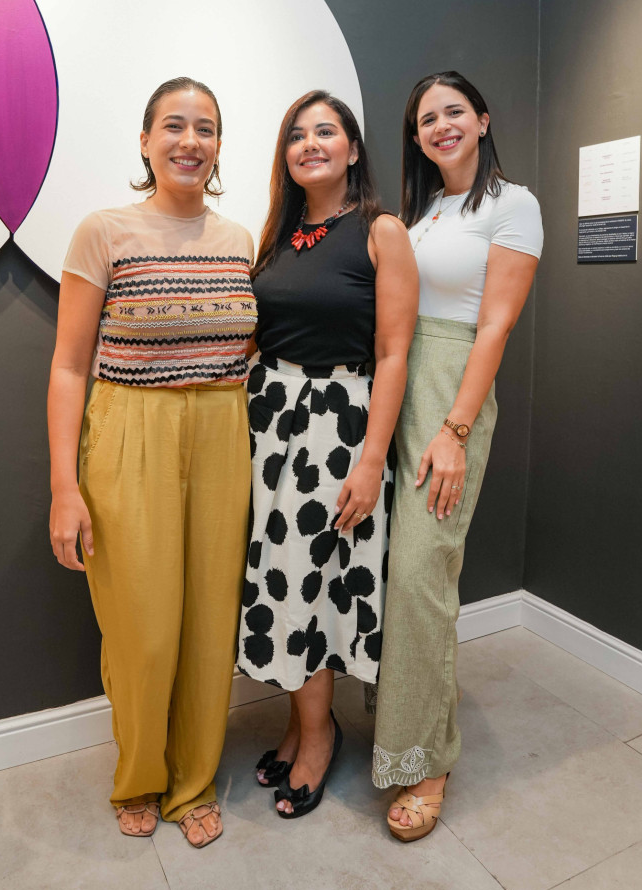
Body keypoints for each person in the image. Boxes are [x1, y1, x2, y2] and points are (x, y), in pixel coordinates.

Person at [47, 77, 256, 848]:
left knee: (208, 623)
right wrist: (65, 484)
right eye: (174, 126)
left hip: (222, 430)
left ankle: (194, 783)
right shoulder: (104, 231)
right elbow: (69, 365)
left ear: (219, 147)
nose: (189, 141)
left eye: (205, 128)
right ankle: (139, 776)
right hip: (130, 431)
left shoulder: (239, 240)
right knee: (141, 629)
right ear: (145, 141)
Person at [237, 90, 419, 819]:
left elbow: (395, 352)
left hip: (338, 428)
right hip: (268, 423)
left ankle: (319, 738)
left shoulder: (382, 231)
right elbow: (255, 332)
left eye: (326, 131)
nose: (311, 144)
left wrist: (373, 458)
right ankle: (300, 722)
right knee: (280, 585)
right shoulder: (278, 233)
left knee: (313, 587)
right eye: (297, 135)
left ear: (351, 148)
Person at [372, 71, 543, 841]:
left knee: (421, 572)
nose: (440, 126)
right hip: (399, 384)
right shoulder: (426, 211)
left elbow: (496, 328)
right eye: (425, 120)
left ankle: (428, 757)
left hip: (452, 392)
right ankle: (396, 716)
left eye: (453, 113)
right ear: (415, 139)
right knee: (388, 569)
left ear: (482, 118)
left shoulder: (515, 205)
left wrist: (456, 429)